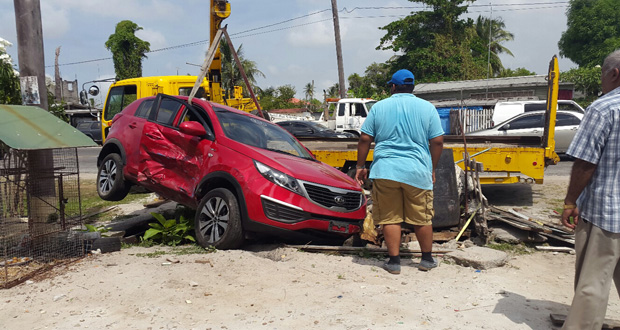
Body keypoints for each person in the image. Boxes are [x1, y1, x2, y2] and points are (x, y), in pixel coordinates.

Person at [355, 69, 444, 275]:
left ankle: (394, 262)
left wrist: (360, 166)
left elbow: (365, 139)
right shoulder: (427, 108)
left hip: (386, 171)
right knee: (422, 217)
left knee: (389, 217)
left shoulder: (379, 107)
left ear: (393, 87)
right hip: (417, 171)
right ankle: (426, 260)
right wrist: (431, 168)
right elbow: (437, 141)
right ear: (412, 87)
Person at [560, 49, 620, 329]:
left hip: (606, 213)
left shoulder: (604, 108)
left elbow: (585, 162)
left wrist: (570, 200)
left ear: (613, 74)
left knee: (593, 283)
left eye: (602, 77)